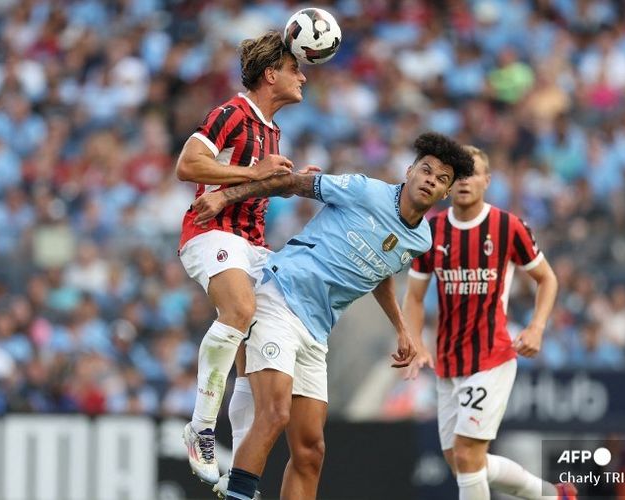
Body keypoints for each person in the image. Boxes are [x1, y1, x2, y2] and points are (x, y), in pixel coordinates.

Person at [192, 132, 475, 500]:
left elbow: (379, 270)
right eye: (426, 170)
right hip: (279, 297)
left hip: (317, 330)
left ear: (446, 193)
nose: (430, 180)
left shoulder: (420, 239)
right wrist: (224, 196)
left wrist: (402, 328)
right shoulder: (364, 190)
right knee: (274, 414)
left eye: (441, 179)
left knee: (311, 451)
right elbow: (293, 183)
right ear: (409, 171)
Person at [176, 30, 317, 484]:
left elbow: (255, 184)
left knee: (249, 360)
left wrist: (291, 183)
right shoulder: (232, 113)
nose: (304, 78)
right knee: (239, 310)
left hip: (254, 245)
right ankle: (200, 426)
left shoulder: (273, 130)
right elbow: (188, 164)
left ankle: (236, 474)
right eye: (296, 69)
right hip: (211, 232)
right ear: (271, 73)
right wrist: (252, 172)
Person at [402, 146, 576, 500]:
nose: (465, 181)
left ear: (487, 180)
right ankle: (551, 495)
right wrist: (415, 341)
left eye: (473, 173)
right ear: (448, 185)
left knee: (467, 455)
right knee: (461, 461)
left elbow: (547, 279)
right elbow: (415, 297)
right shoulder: (430, 230)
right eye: (459, 175)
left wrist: (538, 327)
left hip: (491, 357)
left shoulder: (508, 227)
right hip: (448, 361)